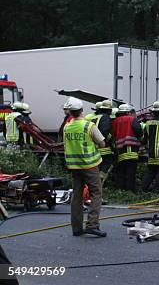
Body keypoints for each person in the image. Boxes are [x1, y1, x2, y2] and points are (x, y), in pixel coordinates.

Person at [63, 97, 107, 237]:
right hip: (90, 165)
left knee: (77, 196)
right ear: (82, 110)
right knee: (96, 193)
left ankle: (76, 228)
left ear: (70, 112)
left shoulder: (67, 127)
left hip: (74, 167)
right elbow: (102, 143)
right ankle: (92, 225)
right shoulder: (89, 126)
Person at [111, 103, 142, 191]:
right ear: (128, 112)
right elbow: (138, 130)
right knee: (131, 172)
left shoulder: (115, 121)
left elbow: (112, 134)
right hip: (131, 149)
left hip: (120, 150)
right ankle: (130, 191)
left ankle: (121, 189)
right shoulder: (131, 119)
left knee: (121, 171)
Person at [88, 100, 114, 182]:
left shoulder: (93, 118)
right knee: (107, 165)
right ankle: (100, 181)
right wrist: (111, 142)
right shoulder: (106, 117)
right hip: (104, 149)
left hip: (94, 149)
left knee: (97, 167)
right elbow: (105, 132)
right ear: (109, 110)